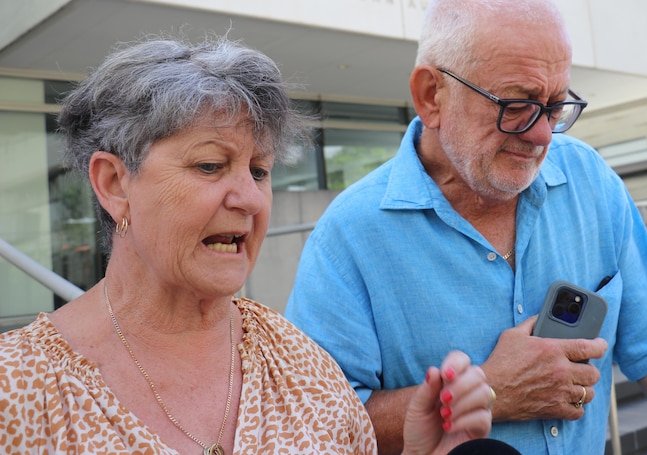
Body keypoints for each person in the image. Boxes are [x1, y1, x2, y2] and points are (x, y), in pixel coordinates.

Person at [285, 0, 647, 454]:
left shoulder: (589, 180)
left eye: (555, 106)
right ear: (432, 95)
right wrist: (489, 390)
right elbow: (317, 427)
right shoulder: (348, 236)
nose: (542, 135)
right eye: (517, 105)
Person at [0, 36, 494, 455]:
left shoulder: (303, 365)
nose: (251, 199)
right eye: (210, 166)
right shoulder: (17, 389)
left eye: (259, 170)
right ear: (114, 183)